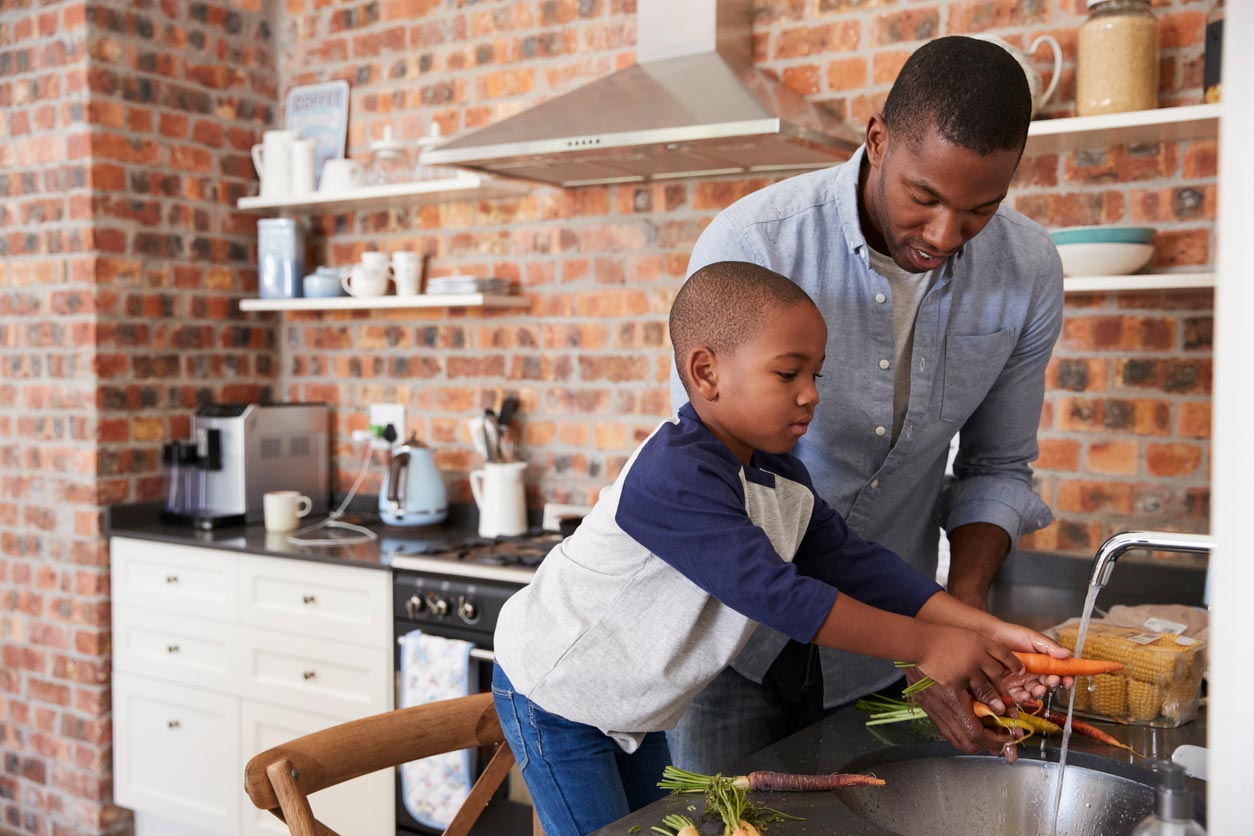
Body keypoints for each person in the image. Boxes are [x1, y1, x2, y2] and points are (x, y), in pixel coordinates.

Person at [492, 261, 1068, 836]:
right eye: (789, 374)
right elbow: (780, 597)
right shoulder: (674, 474)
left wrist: (984, 630)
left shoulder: (779, 477)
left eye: (817, 375)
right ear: (706, 373)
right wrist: (932, 644)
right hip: (558, 695)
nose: (811, 395)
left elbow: (854, 564)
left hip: (628, 706)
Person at [666, 35, 1066, 772]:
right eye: (925, 197)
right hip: (733, 649)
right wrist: (927, 639)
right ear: (877, 139)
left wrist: (963, 619)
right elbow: (719, 482)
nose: (944, 235)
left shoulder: (1029, 269)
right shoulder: (756, 244)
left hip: (881, 662)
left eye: (981, 209)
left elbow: (998, 466)